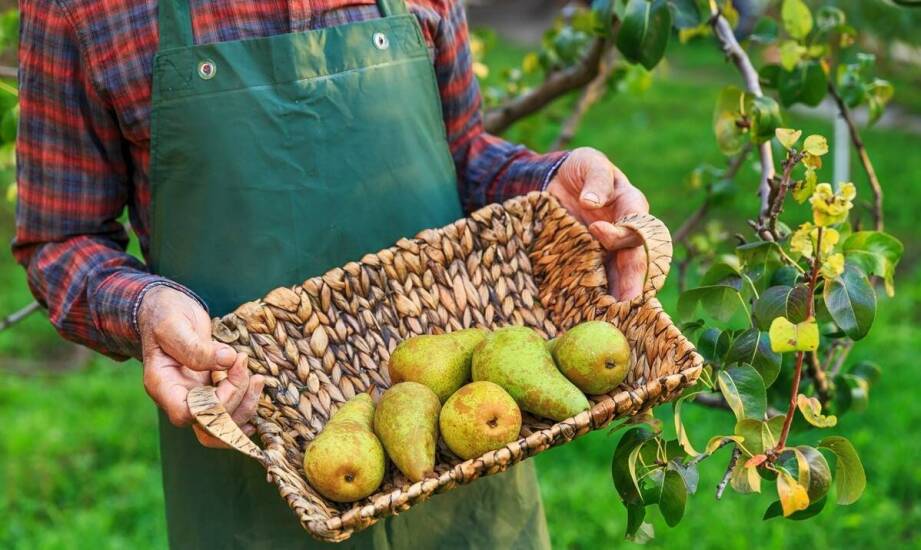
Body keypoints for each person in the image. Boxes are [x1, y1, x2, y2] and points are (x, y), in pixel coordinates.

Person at [14, 0, 650, 547]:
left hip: (468, 450)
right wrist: (146, 309)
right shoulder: (84, 9)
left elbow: (460, 154)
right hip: (252, 451)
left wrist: (549, 189)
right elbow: (61, 238)